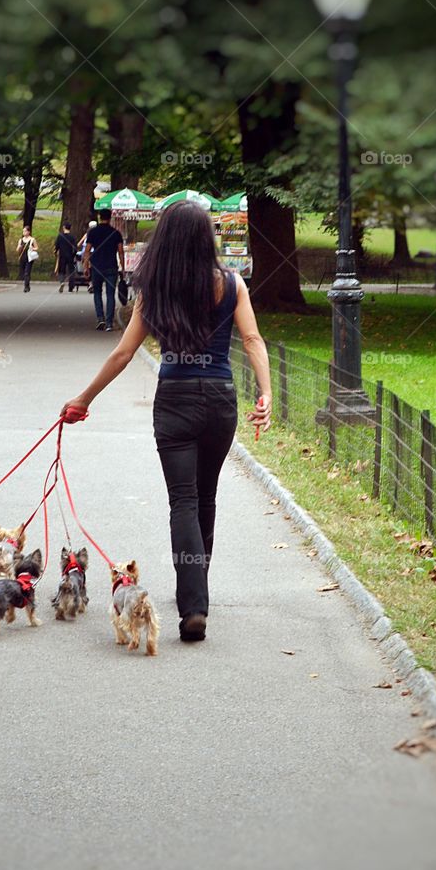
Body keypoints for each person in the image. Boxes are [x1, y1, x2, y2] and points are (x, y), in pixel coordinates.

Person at [62, 200, 272, 643]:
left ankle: (193, 601)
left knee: (184, 501)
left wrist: (84, 399)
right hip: (219, 401)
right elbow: (252, 338)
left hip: (174, 401)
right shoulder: (232, 285)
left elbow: (122, 354)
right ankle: (196, 597)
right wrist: (267, 393)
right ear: (206, 240)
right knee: (206, 496)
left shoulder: (152, 290)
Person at [84, 209, 124, 331]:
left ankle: (100, 318)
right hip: (111, 266)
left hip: (96, 266)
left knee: (97, 292)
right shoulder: (116, 233)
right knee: (110, 294)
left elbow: (87, 250)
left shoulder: (93, 232)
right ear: (110, 217)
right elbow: (121, 251)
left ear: (100, 217)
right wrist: (123, 267)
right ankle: (109, 323)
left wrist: (86, 266)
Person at [54, 221, 77, 293]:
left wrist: (56, 252)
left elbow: (57, 246)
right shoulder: (72, 237)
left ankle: (62, 282)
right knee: (71, 271)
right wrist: (73, 255)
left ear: (64, 227)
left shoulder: (60, 236)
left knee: (61, 270)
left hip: (62, 255)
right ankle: (71, 287)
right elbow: (75, 248)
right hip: (70, 255)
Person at [16, 225, 38, 293]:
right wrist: (19, 247)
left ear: (28, 232)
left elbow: (37, 247)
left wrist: (32, 248)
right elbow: (17, 250)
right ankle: (27, 284)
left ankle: (26, 286)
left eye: (25, 231)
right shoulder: (21, 240)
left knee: (27, 272)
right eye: (23, 231)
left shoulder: (32, 240)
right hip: (22, 258)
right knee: (24, 272)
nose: (24, 232)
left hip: (29, 258)